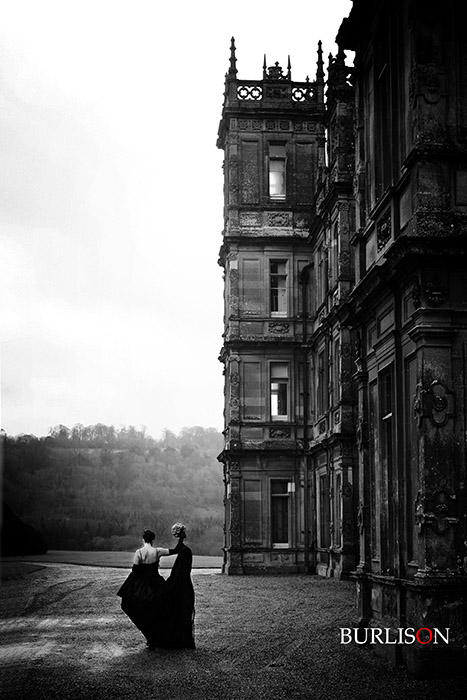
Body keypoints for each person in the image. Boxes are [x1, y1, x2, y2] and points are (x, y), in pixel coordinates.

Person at [117, 523, 195, 650]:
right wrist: (180, 538)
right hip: (156, 585)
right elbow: (175, 550)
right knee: (159, 610)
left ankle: (151, 637)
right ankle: (159, 637)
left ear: (143, 540)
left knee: (134, 608)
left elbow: (135, 570)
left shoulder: (139, 553)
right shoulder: (157, 551)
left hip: (142, 585)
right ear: (152, 540)